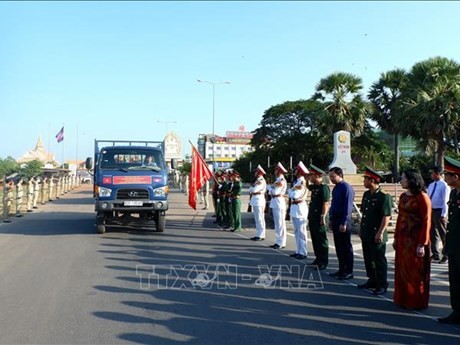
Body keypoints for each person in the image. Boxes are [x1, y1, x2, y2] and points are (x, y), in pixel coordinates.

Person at [393, 169, 431, 310]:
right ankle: (403, 298)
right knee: (402, 269)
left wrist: (422, 244)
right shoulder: (403, 196)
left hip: (415, 240)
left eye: (403, 178)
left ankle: (415, 301)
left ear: (411, 180)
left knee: (415, 272)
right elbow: (400, 218)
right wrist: (396, 237)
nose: (401, 180)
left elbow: (427, 222)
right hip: (403, 239)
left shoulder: (422, 197)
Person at [358, 166, 392, 295]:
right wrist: (361, 228)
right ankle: (372, 279)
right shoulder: (367, 194)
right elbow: (364, 214)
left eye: (365, 179)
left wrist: (380, 232)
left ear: (372, 180)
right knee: (368, 258)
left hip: (377, 233)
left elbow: (386, 216)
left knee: (379, 259)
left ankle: (382, 283)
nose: (363, 182)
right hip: (367, 231)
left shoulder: (384, 196)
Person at [438, 157, 460, 324]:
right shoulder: (453, 192)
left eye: (448, 175)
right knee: (455, 279)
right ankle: (457, 311)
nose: (445, 178)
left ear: (456, 177)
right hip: (453, 244)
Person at [327, 167, 355, 280]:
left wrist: (344, 222)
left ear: (340, 175)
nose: (331, 179)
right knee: (338, 246)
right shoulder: (336, 188)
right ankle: (341, 269)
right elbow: (333, 204)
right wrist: (330, 218)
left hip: (343, 220)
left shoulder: (346, 187)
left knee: (346, 246)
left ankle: (349, 271)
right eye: (330, 177)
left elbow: (348, 207)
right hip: (335, 219)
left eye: (333, 176)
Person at [307, 164, 330, 270]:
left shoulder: (324, 187)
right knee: (315, 239)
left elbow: (326, 203)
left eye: (311, 175)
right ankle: (318, 258)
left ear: (316, 176)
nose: (310, 177)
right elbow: (308, 187)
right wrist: (306, 179)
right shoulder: (315, 187)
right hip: (313, 217)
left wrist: (323, 216)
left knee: (321, 240)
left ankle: (323, 261)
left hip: (320, 217)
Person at [427, 166, 450, 264]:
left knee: (443, 234)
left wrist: (444, 214)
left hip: (439, 210)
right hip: (431, 210)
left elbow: (445, 201)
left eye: (432, 173)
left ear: (437, 174)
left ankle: (446, 254)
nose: (431, 175)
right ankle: (436, 254)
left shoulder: (444, 185)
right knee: (433, 233)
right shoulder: (431, 185)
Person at [288, 161, 309, 260]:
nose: (294, 171)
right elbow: (290, 193)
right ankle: (298, 250)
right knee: (296, 231)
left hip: (300, 207)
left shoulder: (301, 182)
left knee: (302, 232)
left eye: (296, 170)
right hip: (295, 208)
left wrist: (291, 192)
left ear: (300, 171)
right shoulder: (297, 182)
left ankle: (303, 252)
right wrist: (291, 192)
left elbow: (294, 195)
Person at [268, 162, 288, 250]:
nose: (275, 171)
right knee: (277, 223)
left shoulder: (281, 180)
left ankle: (281, 242)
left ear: (279, 171)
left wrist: (270, 189)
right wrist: (271, 189)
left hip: (279, 202)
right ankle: (278, 241)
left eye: (276, 169)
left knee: (280, 224)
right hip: (275, 202)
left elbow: (275, 192)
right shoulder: (277, 180)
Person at [249, 165, 267, 241]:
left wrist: (252, 188)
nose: (255, 173)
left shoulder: (261, 181)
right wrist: (252, 188)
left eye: (256, 171)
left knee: (260, 218)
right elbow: (250, 190)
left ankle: (261, 235)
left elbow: (254, 190)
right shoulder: (257, 180)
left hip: (259, 200)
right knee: (257, 218)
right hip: (256, 200)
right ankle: (258, 234)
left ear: (259, 173)